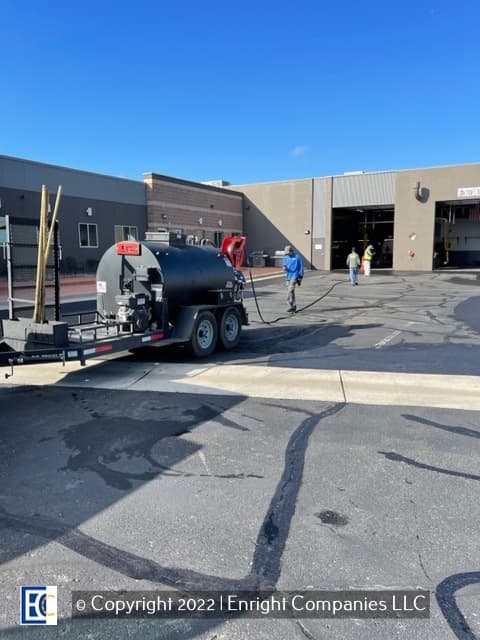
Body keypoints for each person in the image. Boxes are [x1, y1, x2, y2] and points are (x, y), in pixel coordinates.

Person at [283, 245, 304, 312]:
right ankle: (293, 306)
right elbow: (285, 266)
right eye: (286, 253)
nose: (287, 255)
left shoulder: (297, 257)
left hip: (295, 276)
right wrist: (285, 268)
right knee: (292, 292)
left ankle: (289, 303)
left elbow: (301, 267)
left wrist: (300, 277)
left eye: (288, 253)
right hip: (288, 276)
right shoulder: (286, 257)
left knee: (290, 290)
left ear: (291, 251)